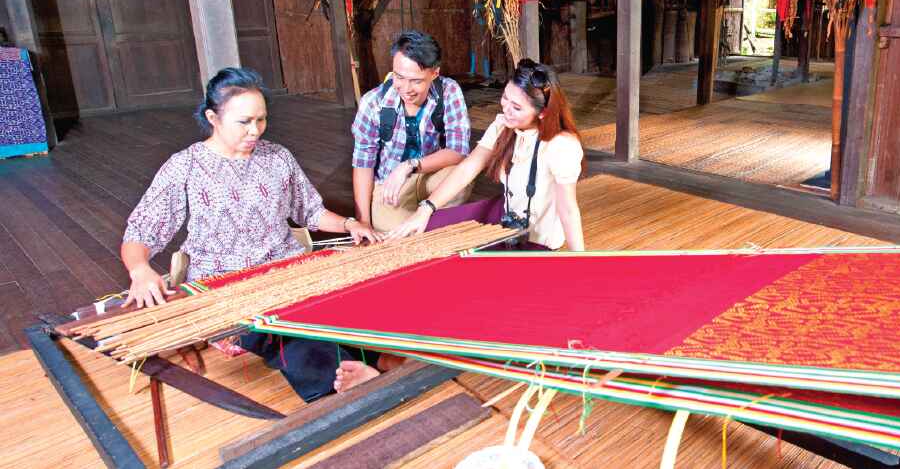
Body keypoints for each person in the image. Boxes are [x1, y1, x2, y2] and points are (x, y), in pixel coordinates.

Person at [121, 67, 381, 402]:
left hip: (287, 268)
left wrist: (350, 224)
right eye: (243, 122)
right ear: (213, 118)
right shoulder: (185, 167)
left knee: (338, 306)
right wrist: (140, 269)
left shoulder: (277, 157)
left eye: (261, 120)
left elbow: (310, 211)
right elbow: (141, 230)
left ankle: (373, 365)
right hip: (226, 284)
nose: (254, 130)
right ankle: (342, 381)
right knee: (281, 329)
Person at [334, 59, 585, 392]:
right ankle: (378, 323)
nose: (506, 110)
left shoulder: (562, 147)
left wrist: (583, 263)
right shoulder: (505, 127)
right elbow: (468, 168)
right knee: (427, 230)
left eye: (516, 107)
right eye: (505, 99)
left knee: (475, 301)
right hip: (501, 221)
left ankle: (396, 363)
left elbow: (568, 209)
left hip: (535, 242)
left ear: (542, 112)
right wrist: (425, 209)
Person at [351, 30, 472, 232]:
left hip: (428, 174)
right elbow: (363, 164)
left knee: (463, 179)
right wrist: (363, 222)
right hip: (390, 186)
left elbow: (458, 151)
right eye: (399, 77)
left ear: (434, 73)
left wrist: (409, 166)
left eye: (416, 81)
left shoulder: (449, 91)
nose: (406, 88)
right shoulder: (372, 103)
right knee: (397, 233)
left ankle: (428, 213)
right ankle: (430, 221)